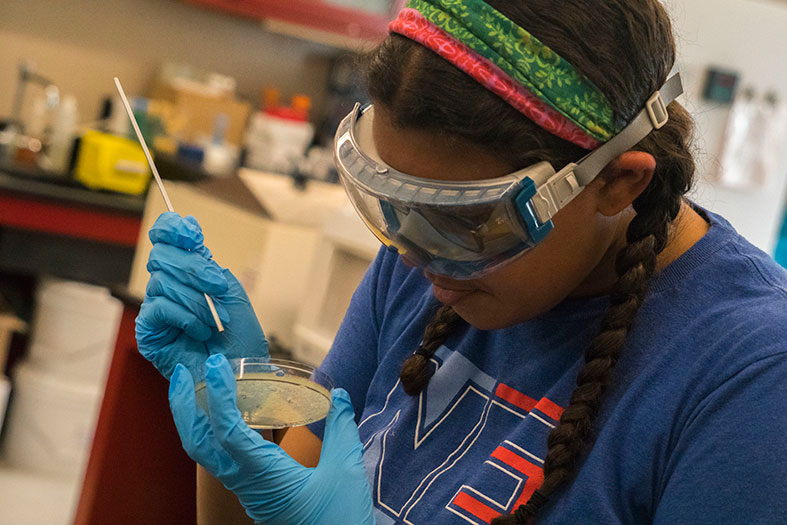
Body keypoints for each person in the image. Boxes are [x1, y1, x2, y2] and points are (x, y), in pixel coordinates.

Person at [135, 0, 787, 523]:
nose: (415, 256)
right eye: (393, 204)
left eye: (466, 222)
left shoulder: (750, 377)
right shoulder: (426, 266)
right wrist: (235, 426)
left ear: (619, 182)